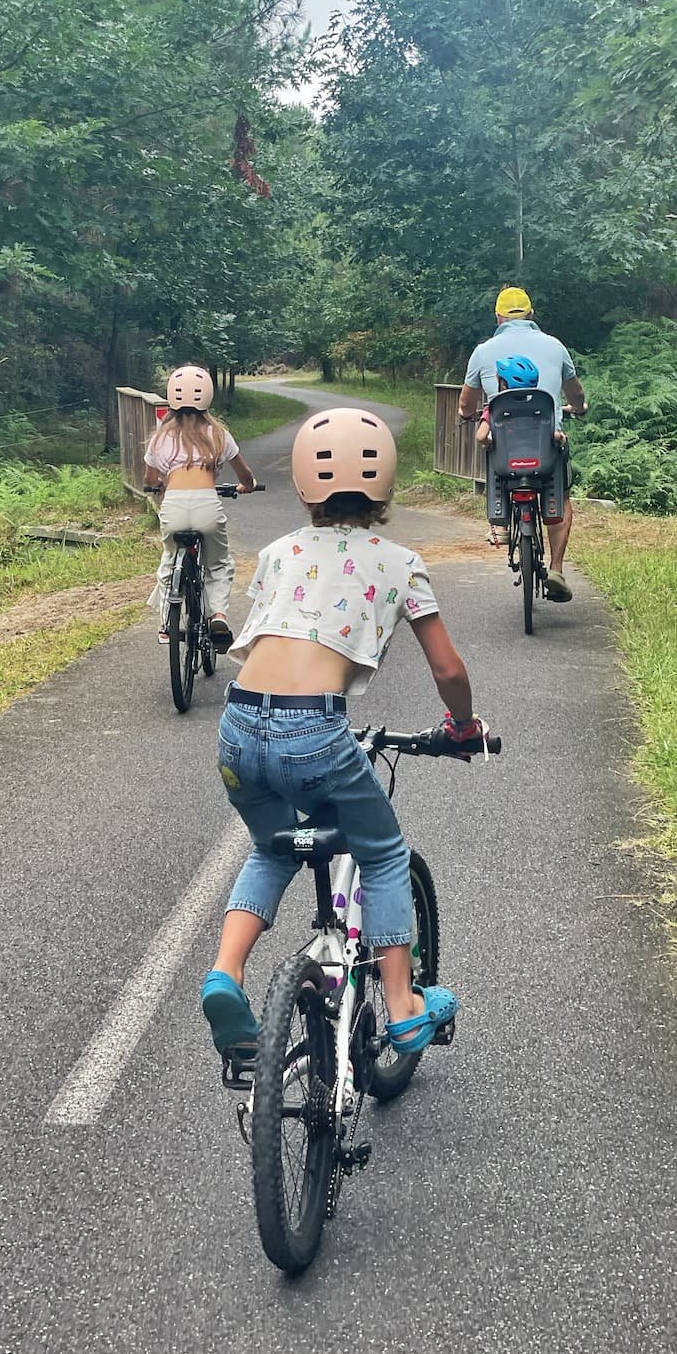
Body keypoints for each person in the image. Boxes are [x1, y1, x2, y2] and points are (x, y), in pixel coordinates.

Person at [199, 407, 485, 1060]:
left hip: (240, 724)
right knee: (381, 854)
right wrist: (462, 726)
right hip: (314, 731)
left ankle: (226, 973)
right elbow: (446, 667)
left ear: (303, 486)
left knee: (273, 847)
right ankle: (406, 1006)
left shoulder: (276, 553)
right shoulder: (401, 562)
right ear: (387, 484)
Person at [458, 287, 587, 602]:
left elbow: (465, 403)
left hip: (506, 450)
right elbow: (576, 395)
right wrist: (578, 409)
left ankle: (499, 524)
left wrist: (469, 414)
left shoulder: (483, 351)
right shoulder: (555, 347)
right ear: (531, 314)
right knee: (561, 498)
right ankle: (555, 568)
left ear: (498, 317)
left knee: (493, 453)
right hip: (546, 445)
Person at [143, 365, 256, 650]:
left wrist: (158, 489)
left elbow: (150, 479)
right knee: (218, 564)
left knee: (170, 558)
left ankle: (166, 624)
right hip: (208, 505)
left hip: (174, 505)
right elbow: (244, 475)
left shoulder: (161, 437)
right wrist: (248, 485)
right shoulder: (219, 434)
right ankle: (217, 614)